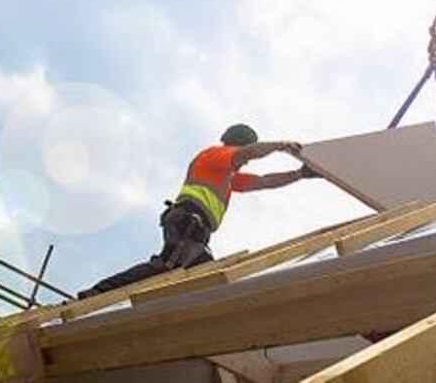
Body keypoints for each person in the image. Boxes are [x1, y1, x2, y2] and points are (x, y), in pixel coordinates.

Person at [77, 123, 320, 299]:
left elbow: (263, 181)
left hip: (197, 232)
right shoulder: (215, 155)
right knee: (167, 267)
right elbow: (246, 154)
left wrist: (299, 174)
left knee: (207, 282)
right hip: (187, 222)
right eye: (247, 152)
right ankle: (98, 292)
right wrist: (279, 145)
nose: (247, 162)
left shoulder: (227, 177)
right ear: (241, 144)